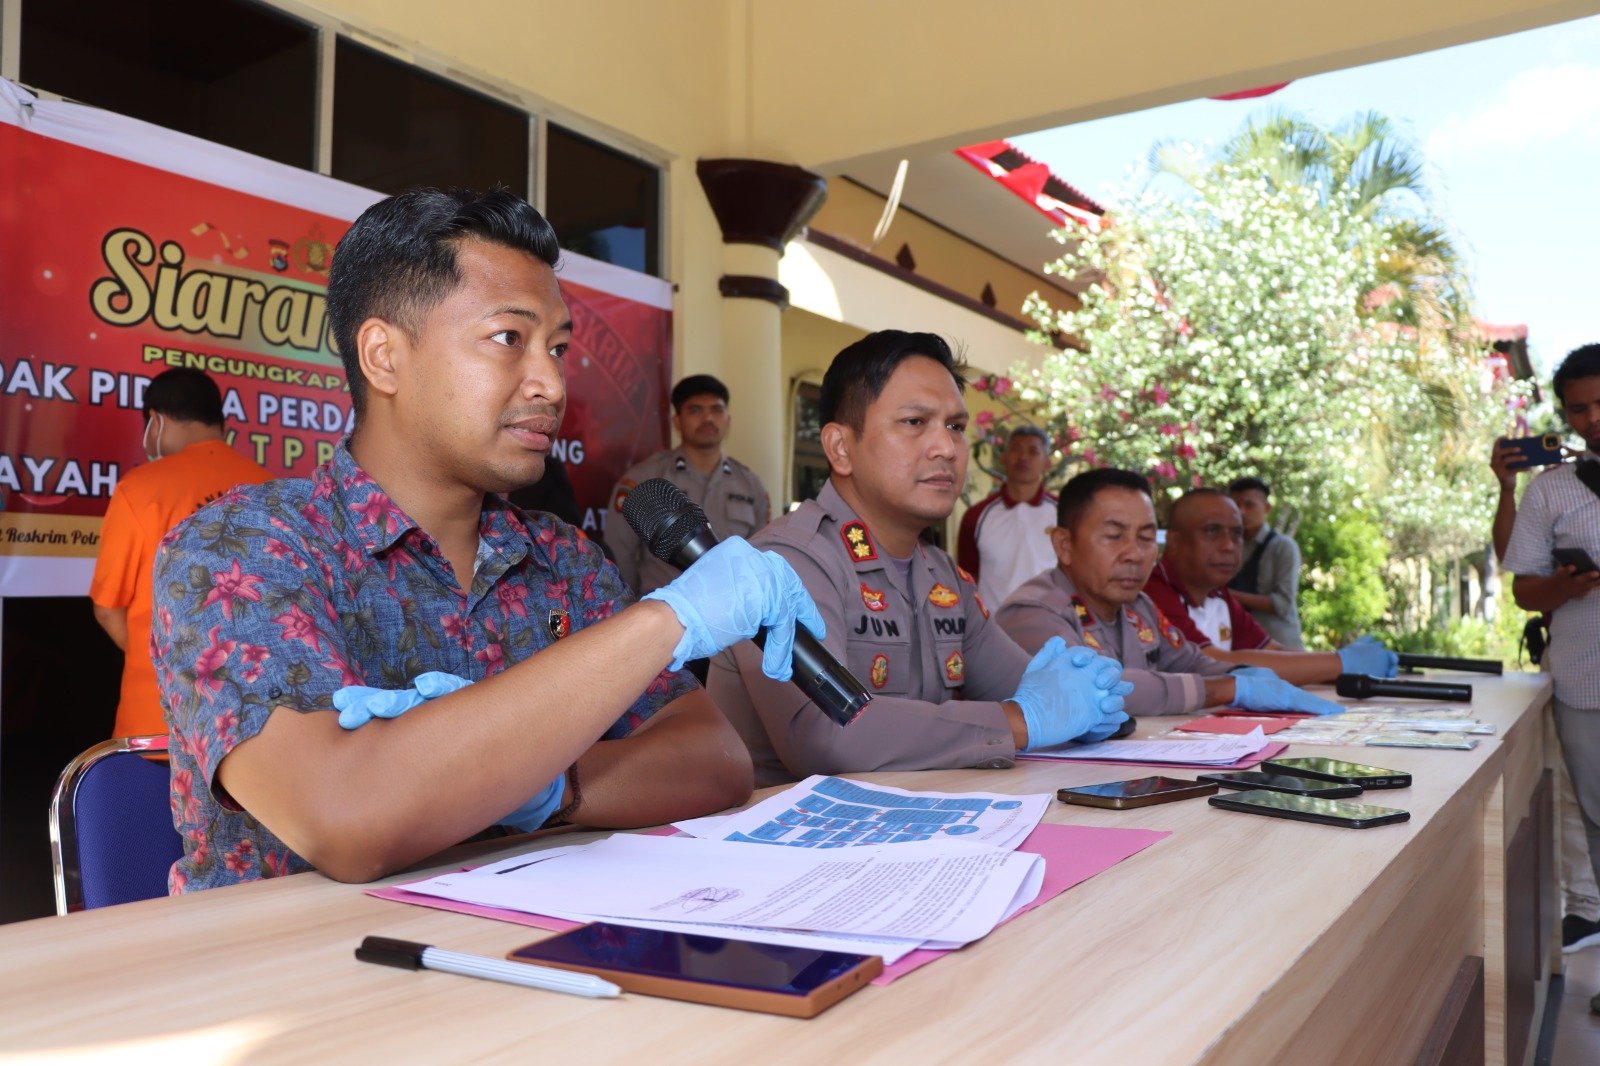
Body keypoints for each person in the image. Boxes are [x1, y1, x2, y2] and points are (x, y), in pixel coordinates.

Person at [150, 188, 822, 892]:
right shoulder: (239, 547)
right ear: (383, 357)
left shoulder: (562, 561)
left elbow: (713, 758)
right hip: (296, 978)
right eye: (510, 339)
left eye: (558, 348)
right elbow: (348, 816)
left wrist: (549, 788)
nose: (553, 383)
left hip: (524, 954)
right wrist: (669, 619)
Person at [707, 330, 1132, 787]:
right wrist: (1021, 721)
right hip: (783, 838)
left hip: (918, 826)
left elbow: (1024, 685)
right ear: (841, 448)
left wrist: (1091, 698)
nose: (947, 448)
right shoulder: (785, 563)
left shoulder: (941, 573)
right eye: (914, 422)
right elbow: (827, 732)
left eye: (955, 426)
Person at [999, 469, 1341, 716]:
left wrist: (1241, 674)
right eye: (1115, 535)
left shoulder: (1139, 607)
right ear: (1064, 544)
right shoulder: (1032, 613)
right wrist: (1229, 689)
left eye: (1146, 537)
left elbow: (1191, 661)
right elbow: (1094, 689)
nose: (1134, 553)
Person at [89, 368, 272, 738]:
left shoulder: (140, 489)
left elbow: (108, 611)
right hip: (254, 721)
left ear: (157, 419)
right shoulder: (272, 489)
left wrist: (175, 660)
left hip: (159, 721)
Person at [1504, 344, 1600, 964]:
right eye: (1579, 410)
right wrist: (1565, 586)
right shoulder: (1551, 492)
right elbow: (1522, 589)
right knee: (1597, 823)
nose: (1593, 418)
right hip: (1584, 684)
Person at [1144, 489, 1398, 686]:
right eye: (1212, 532)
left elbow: (1272, 651)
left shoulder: (1219, 594)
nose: (1229, 546)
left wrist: (1342, 669)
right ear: (1174, 542)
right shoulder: (1152, 593)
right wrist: (1340, 663)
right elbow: (1211, 662)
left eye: (1236, 534)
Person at [606, 374, 770, 597]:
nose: (708, 418)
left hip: (736, 624)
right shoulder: (644, 479)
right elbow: (619, 557)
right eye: (695, 410)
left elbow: (761, 557)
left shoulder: (750, 485)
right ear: (677, 422)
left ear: (728, 420)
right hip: (665, 620)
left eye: (717, 410)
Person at [956, 425, 1059, 608]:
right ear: (1003, 458)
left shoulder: (1064, 514)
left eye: (1033, 451)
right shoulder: (976, 516)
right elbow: (967, 578)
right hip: (993, 630)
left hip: (1052, 626)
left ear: (1047, 463)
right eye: (1016, 449)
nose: (1023, 457)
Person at [1226, 476, 1305, 649]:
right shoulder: (1228, 547)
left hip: (1281, 647)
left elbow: (1283, 604)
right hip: (1242, 648)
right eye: (1236, 506)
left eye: (1249, 505)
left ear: (1267, 508)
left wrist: (1228, 594)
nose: (1242, 512)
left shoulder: (1283, 547)